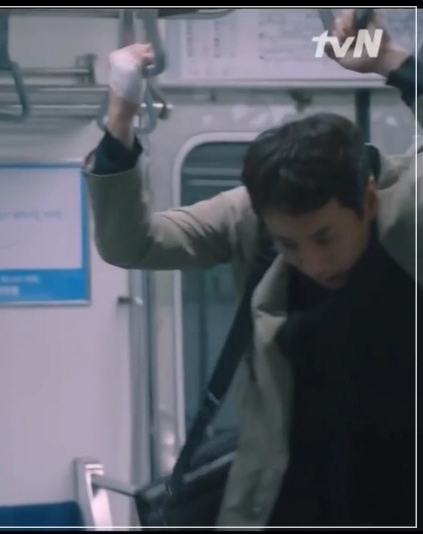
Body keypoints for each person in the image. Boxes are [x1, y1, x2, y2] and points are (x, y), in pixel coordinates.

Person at [84, 10, 419, 528]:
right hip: (291, 499)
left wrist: (388, 61)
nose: (312, 262)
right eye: (289, 244)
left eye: (325, 238)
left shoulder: (409, 208)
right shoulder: (248, 218)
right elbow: (134, 242)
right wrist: (121, 117)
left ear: (368, 202)